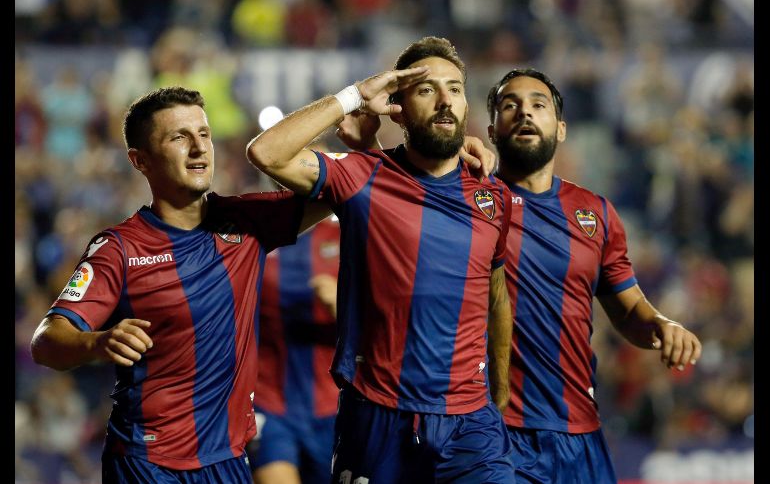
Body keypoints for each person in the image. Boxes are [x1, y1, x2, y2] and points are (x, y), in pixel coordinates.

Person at [247, 36, 516, 482]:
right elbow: (266, 153)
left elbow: (498, 297)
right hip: (378, 417)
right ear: (397, 107)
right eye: (427, 90)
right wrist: (354, 95)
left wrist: (501, 395)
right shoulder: (362, 176)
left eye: (455, 88)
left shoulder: (493, 196)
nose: (445, 100)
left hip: (471, 425)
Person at [29, 86, 330, 483]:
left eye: (204, 135)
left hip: (228, 460)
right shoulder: (119, 248)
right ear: (141, 161)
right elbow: (47, 341)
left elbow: (338, 187)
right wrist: (97, 343)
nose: (198, 148)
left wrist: (349, 100)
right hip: (147, 462)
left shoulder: (247, 221)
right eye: (179, 137)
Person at [485, 68, 703, 482]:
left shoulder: (596, 213)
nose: (524, 113)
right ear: (493, 130)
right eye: (509, 105)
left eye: (538, 105)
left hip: (580, 431)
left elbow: (627, 309)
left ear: (561, 129)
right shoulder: (470, 202)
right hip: (496, 432)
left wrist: (663, 324)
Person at [247, 215, 341, 484]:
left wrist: (345, 307)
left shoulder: (348, 233)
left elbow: (390, 325)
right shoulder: (252, 237)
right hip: (268, 402)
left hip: (333, 408)